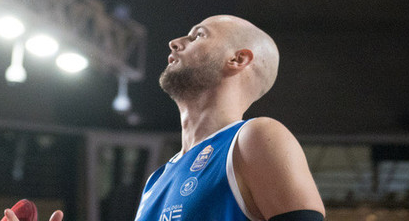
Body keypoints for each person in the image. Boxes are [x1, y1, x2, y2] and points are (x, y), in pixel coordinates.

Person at [136, 15, 325, 221]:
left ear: (238, 59)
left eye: (198, 35)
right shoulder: (155, 180)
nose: (174, 43)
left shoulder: (256, 137)